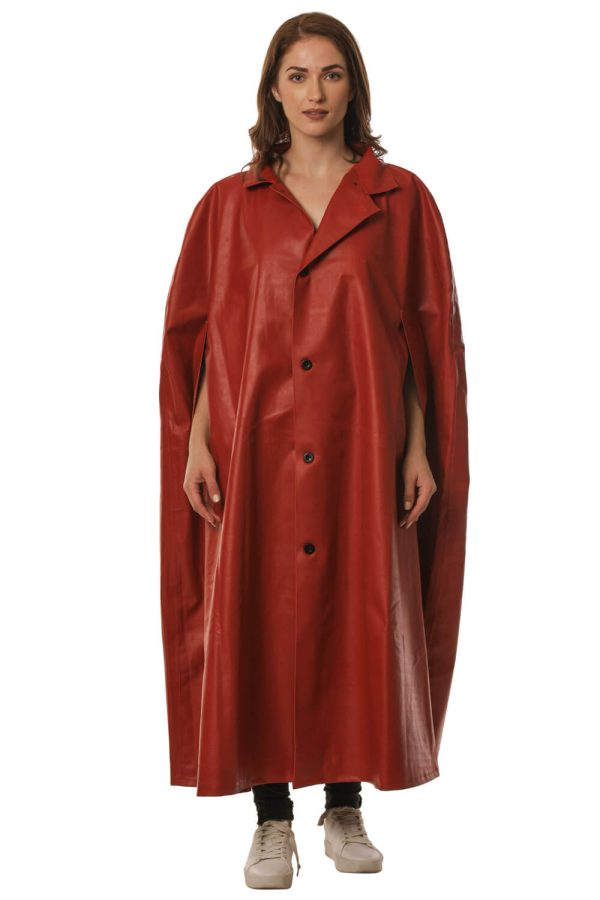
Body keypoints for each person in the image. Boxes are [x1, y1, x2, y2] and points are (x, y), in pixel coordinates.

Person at [159, 12, 469, 892]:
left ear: (354, 86)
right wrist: (197, 441)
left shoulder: (401, 200)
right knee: (260, 612)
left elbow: (424, 339)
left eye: (331, 75)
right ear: (273, 90)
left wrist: (417, 445)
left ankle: (344, 805)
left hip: (360, 441)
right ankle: (270, 820)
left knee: (354, 609)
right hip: (255, 445)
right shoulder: (228, 205)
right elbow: (203, 338)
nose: (315, 93)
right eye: (297, 76)